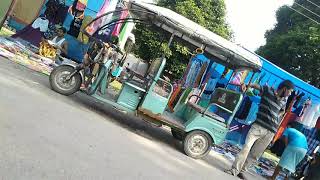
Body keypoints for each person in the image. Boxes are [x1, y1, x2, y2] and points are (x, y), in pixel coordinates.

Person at [225, 80, 295, 180]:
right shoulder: (268, 90)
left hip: (270, 132)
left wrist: (275, 117)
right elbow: (256, 86)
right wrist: (246, 85)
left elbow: (282, 111)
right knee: (246, 147)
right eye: (290, 91)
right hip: (257, 127)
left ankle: (242, 171)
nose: (290, 93)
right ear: (285, 88)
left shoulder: (284, 100)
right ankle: (234, 170)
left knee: (255, 154)